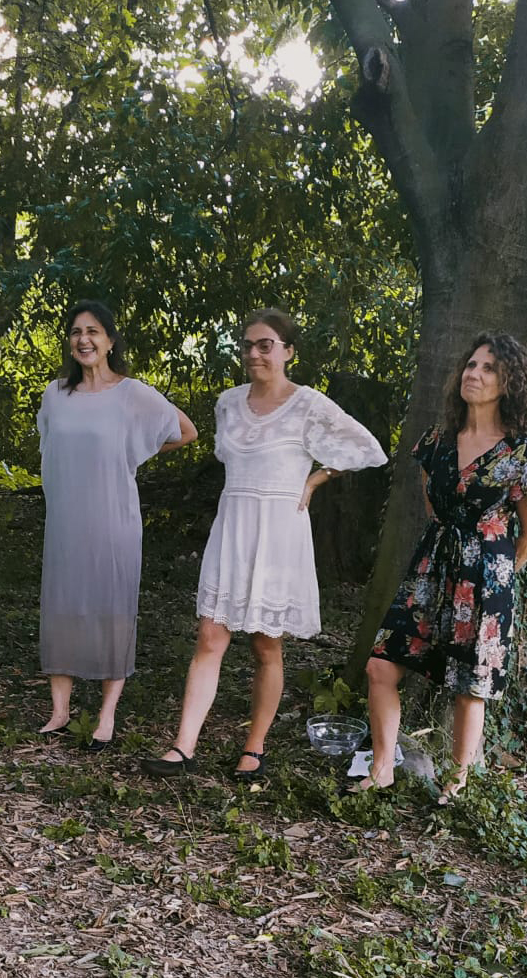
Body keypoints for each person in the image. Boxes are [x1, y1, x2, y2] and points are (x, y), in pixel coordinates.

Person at [142, 308, 387, 779]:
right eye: (248, 345)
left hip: (279, 533)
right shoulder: (227, 403)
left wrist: (315, 479)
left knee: (265, 645)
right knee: (210, 636)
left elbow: (367, 447)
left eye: (266, 345)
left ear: (288, 351)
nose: (254, 353)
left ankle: (254, 748)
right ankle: (183, 746)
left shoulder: (308, 404)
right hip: (233, 527)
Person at [362, 333, 527, 800]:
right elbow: (434, 505)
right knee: (380, 665)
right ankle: (382, 768)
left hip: (486, 577)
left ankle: (456, 782)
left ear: (509, 383)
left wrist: (496, 576)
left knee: (470, 685)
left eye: (488, 368)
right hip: (430, 568)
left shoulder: (523, 455)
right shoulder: (436, 441)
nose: (474, 374)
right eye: (471, 365)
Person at [36, 300, 196, 749]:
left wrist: (133, 449)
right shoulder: (55, 395)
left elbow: (186, 431)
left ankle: (106, 716)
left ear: (109, 340)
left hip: (113, 522)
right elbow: (50, 449)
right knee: (62, 607)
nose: (83, 339)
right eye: (75, 332)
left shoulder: (132, 394)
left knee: (113, 610)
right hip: (66, 521)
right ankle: (60, 711)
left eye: (93, 331)